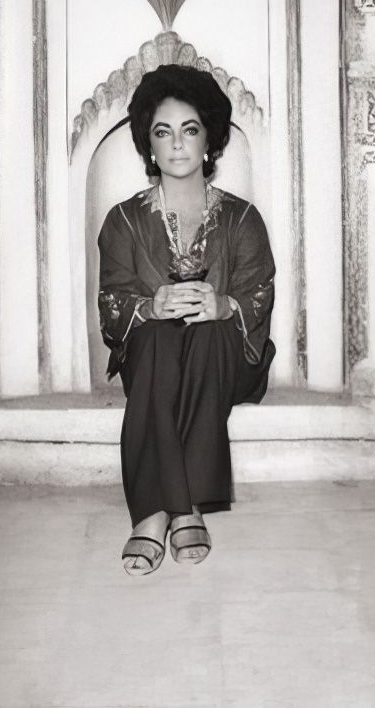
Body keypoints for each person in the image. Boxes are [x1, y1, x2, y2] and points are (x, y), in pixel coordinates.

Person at [97, 63, 276, 576]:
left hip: (224, 358)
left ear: (209, 142)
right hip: (153, 358)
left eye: (189, 130)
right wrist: (149, 307)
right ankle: (177, 509)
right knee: (155, 340)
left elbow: (260, 294)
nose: (177, 144)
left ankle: (160, 509)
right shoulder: (122, 220)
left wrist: (223, 306)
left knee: (206, 333)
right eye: (163, 132)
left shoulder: (243, 219)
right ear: (148, 146)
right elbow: (111, 303)